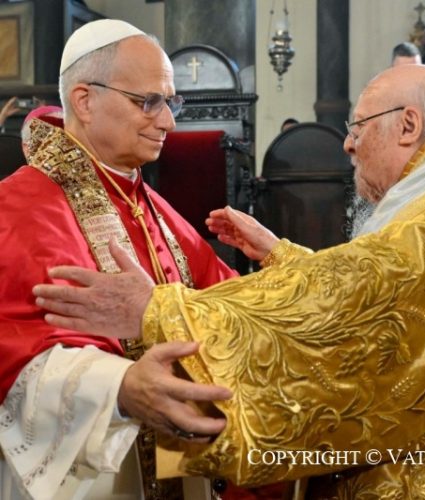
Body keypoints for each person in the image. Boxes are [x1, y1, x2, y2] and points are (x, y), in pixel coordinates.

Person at [34, 63, 425, 498]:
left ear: (409, 126)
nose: (348, 144)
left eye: (357, 127)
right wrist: (282, 255)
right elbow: (372, 289)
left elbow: (361, 304)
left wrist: (159, 310)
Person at [0, 18, 242, 500]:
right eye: (148, 101)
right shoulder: (18, 208)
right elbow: (16, 357)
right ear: (85, 101)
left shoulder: (152, 208)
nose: (169, 122)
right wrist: (121, 389)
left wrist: (280, 260)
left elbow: (228, 299)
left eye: (171, 102)